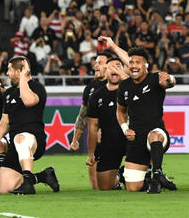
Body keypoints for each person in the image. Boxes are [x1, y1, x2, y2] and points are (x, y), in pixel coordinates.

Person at [103, 38, 177, 194]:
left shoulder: (155, 78)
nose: (134, 65)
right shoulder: (124, 85)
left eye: (138, 62)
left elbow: (169, 82)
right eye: (131, 63)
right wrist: (125, 129)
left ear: (145, 66)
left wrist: (170, 80)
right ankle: (153, 180)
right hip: (136, 138)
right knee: (132, 187)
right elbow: (121, 111)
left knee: (154, 135)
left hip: (157, 135)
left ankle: (157, 176)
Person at [0, 56, 61, 195]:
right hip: (15, 144)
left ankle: (27, 184)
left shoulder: (37, 87)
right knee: (4, 188)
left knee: (21, 138)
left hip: (34, 140)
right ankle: (43, 176)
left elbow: (28, 101)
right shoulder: (8, 94)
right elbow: (5, 121)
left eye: (9, 70)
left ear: (20, 71)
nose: (7, 73)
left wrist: (23, 78)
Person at [86, 55, 128, 191]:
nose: (114, 70)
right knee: (103, 187)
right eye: (111, 67)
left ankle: (147, 173)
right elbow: (92, 127)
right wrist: (91, 154)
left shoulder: (131, 90)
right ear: (105, 71)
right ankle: (120, 176)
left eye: (118, 67)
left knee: (136, 185)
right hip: (109, 144)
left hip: (132, 142)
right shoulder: (96, 96)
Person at [70, 50, 109, 189]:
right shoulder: (90, 88)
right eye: (95, 63)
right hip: (99, 139)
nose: (95, 65)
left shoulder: (120, 84)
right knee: (97, 187)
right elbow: (82, 116)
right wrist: (75, 140)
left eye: (100, 62)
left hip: (120, 133)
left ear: (110, 66)